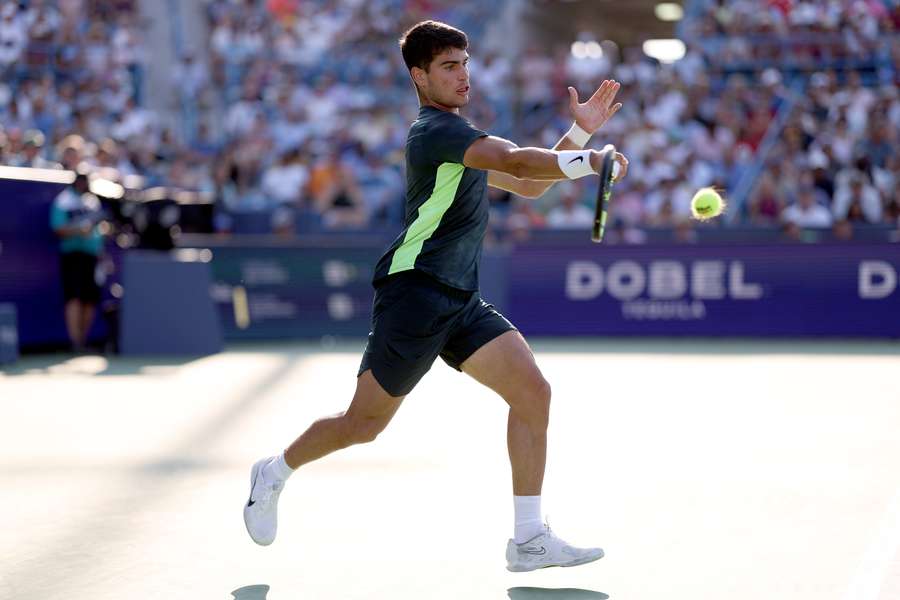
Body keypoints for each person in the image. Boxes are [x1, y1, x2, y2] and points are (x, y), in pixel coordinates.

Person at [243, 20, 629, 572]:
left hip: (460, 299)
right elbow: (520, 161)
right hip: (414, 294)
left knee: (532, 392)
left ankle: (528, 539)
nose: (463, 75)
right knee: (363, 425)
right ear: (419, 76)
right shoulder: (434, 132)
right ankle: (274, 471)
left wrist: (581, 137)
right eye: (449, 66)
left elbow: (527, 182)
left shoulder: (462, 134)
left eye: (465, 63)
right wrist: (589, 160)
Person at [49, 173, 104, 352]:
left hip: (91, 255)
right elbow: (58, 228)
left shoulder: (92, 201)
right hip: (72, 255)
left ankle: (83, 339)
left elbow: (98, 228)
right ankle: (75, 341)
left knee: (90, 298)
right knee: (73, 297)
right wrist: (79, 230)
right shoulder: (64, 201)